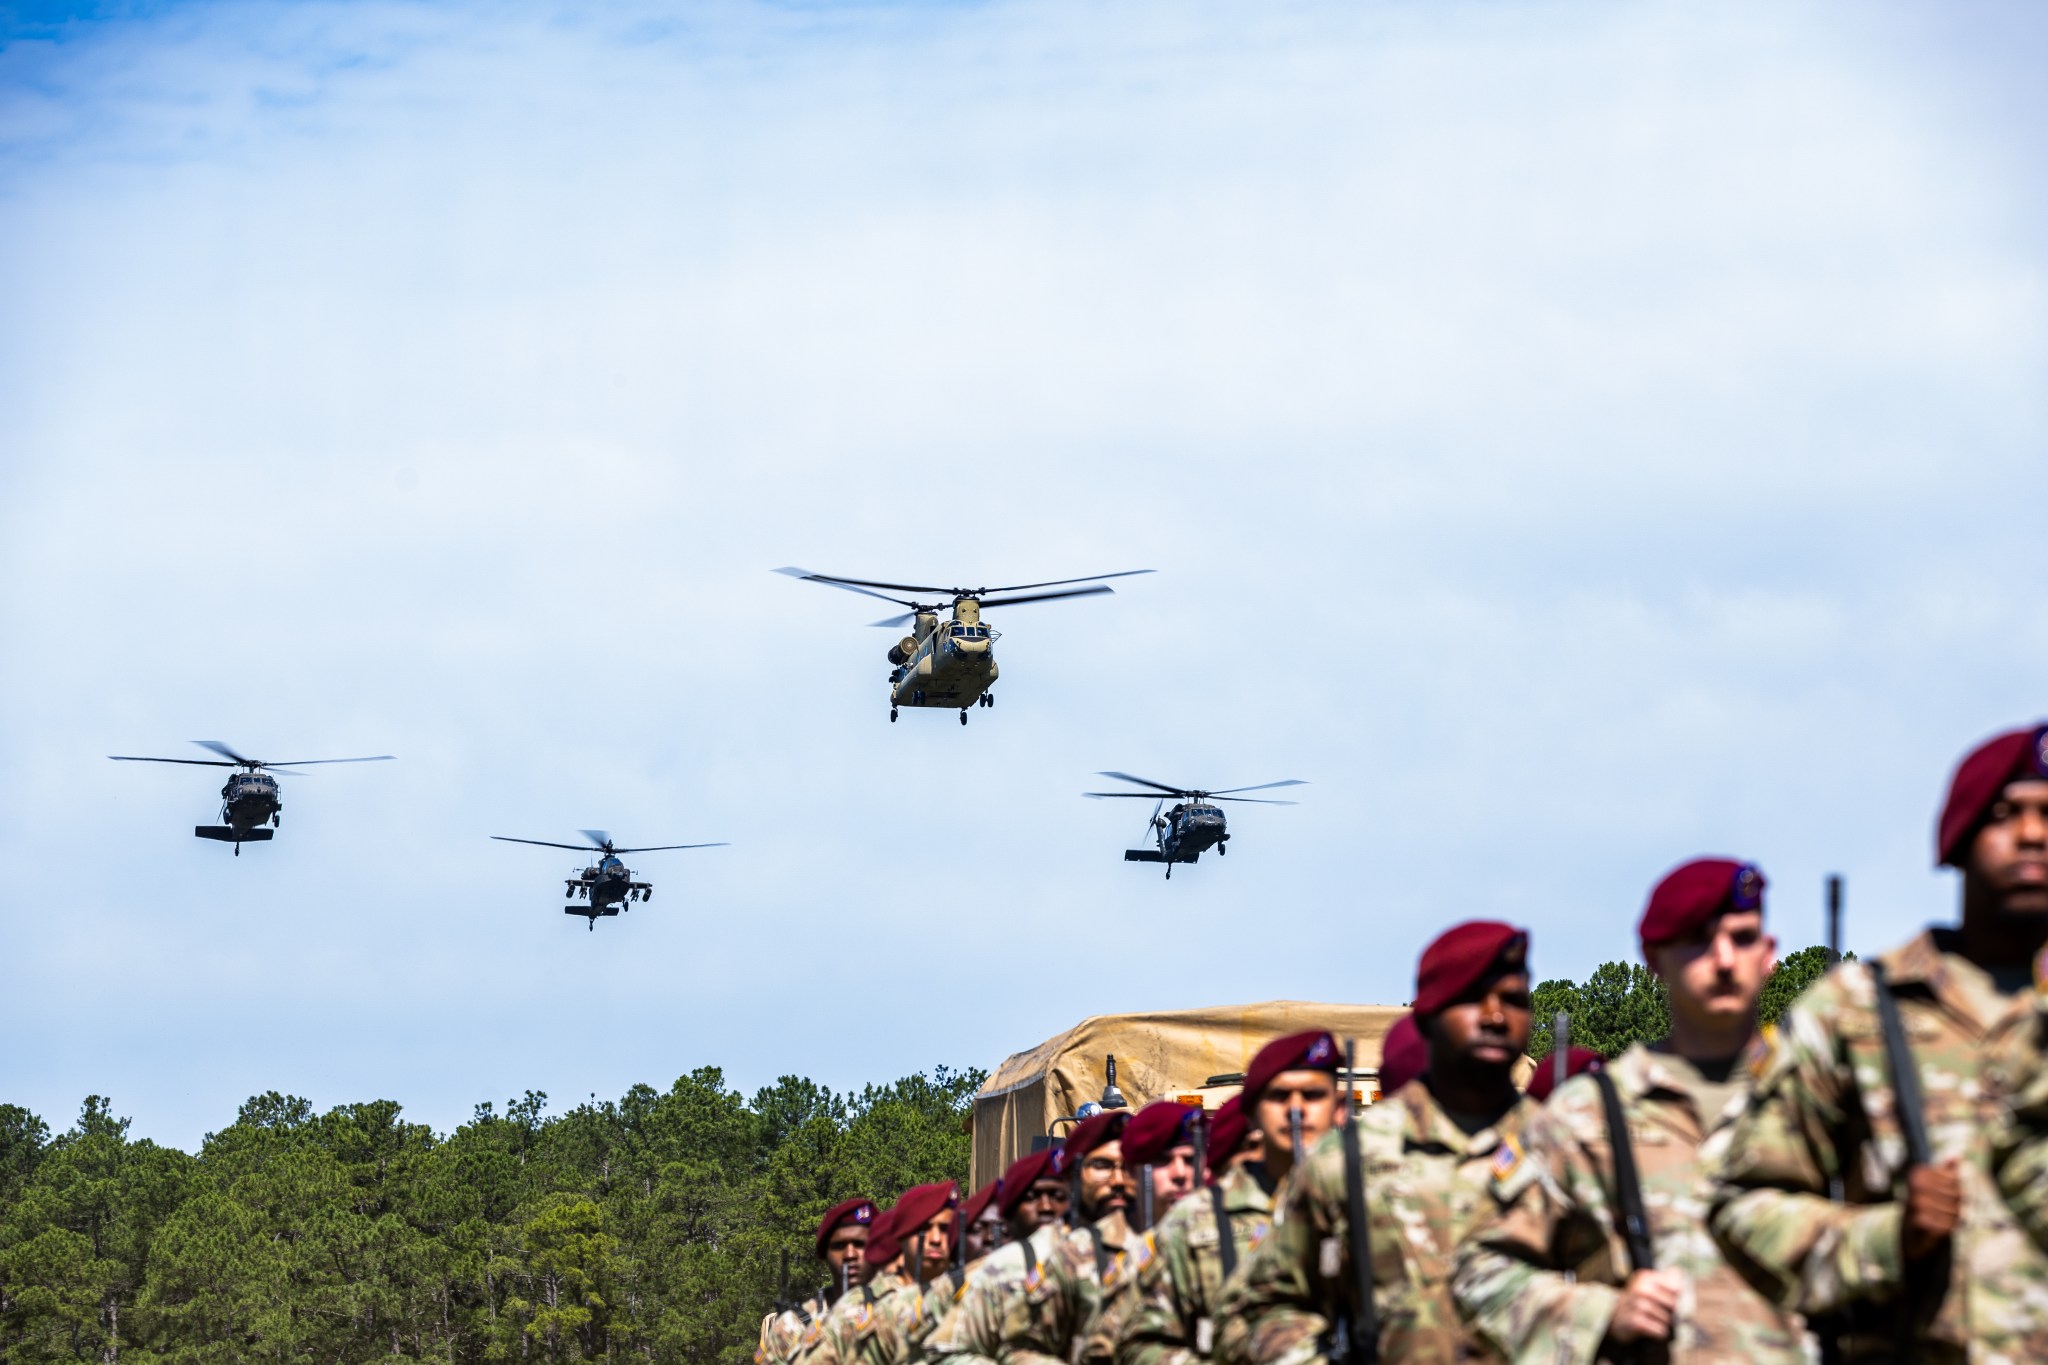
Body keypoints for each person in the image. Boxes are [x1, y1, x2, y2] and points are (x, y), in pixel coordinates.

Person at [1710, 724, 2048, 1362]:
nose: (2033, 835)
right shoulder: (1856, 1011)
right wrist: (1888, 1238)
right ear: (1957, 841)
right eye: (2006, 815)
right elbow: (1743, 1205)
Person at [1452, 858, 1807, 1363]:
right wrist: (1599, 1316)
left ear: (1770, 954)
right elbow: (1480, 1269)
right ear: (1653, 958)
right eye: (1699, 942)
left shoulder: (1820, 1097)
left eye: (1742, 938)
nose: (1725, 960)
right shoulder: (1588, 1116)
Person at [1218, 920, 1539, 1365]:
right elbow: (1261, 1306)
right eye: (1470, 1000)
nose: (1496, 1017)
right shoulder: (1348, 1159)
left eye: (1515, 1000)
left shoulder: (1569, 1145)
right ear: (1429, 1017)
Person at [1119, 1035, 1337, 1365]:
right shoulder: (1196, 1220)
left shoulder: (1376, 1199)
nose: (1296, 1110)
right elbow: (1139, 1343)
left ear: (1339, 1107)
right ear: (1251, 1115)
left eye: (1313, 1095)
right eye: (1279, 1097)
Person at [940, 1111, 1137, 1365]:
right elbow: (947, 1352)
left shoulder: (1154, 1248)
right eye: (1102, 1166)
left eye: (1129, 1166)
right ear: (1073, 1178)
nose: (1118, 1180)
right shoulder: (1013, 1265)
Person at [1085, 1100, 1205, 1365]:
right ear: (1133, 1172)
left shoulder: (1227, 1238)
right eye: (1163, 1161)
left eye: (1189, 1160)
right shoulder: (1083, 1250)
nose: (1180, 1174)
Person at [811, 1183, 964, 1365]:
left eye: (945, 1229)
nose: (936, 1239)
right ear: (902, 1237)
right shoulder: (862, 1308)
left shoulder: (973, 1294)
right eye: (924, 1229)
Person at [759, 1198, 876, 1365]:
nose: (850, 1254)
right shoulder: (792, 1327)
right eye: (839, 1245)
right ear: (824, 1254)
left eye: (860, 1244)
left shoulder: (903, 1312)